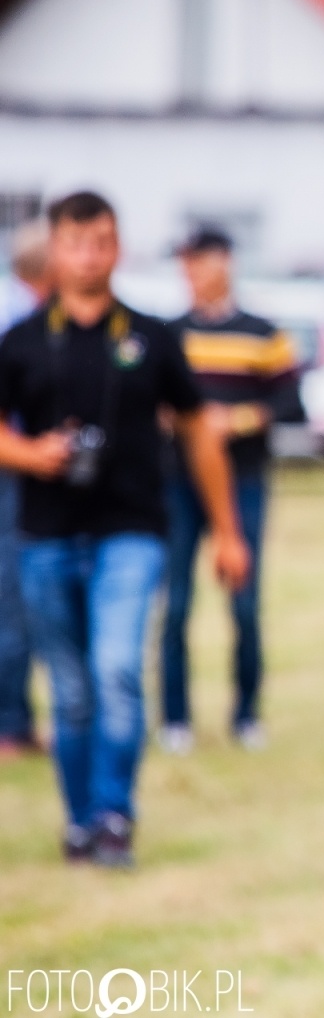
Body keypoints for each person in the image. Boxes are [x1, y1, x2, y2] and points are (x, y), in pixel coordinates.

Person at [0, 192, 250, 867]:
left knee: (116, 670)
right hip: (47, 533)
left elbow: (199, 432)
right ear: (54, 251)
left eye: (102, 243)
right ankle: (80, 820)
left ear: (119, 248)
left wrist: (228, 531)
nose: (90, 257)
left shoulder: (152, 337)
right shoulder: (22, 342)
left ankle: (115, 816)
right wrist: (31, 454)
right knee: (71, 691)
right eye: (76, 244)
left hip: (131, 530)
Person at [160, 226, 301, 755]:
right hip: (179, 481)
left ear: (223, 263)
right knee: (175, 604)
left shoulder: (263, 333)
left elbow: (291, 402)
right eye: (185, 264)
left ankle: (245, 714)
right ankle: (174, 718)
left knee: (243, 602)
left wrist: (235, 421)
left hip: (242, 480)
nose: (190, 273)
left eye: (197, 262)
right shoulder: (169, 334)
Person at [0, 219, 51, 759]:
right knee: (11, 601)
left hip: (28, 468)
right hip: (11, 470)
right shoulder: (14, 322)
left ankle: (20, 720)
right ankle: (9, 725)